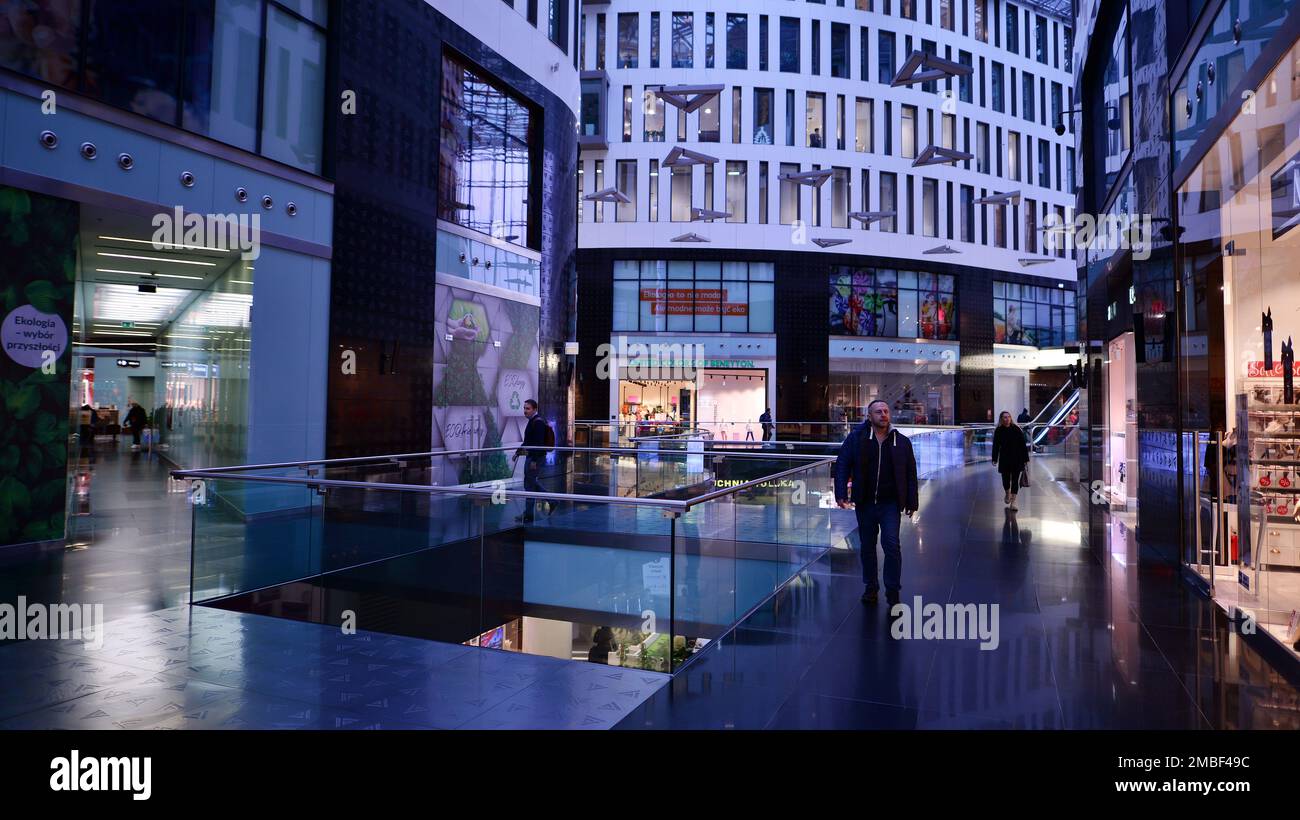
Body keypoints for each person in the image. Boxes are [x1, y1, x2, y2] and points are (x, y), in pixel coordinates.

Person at [834, 399, 920, 606]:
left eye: (886, 411)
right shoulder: (857, 438)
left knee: (891, 545)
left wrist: (912, 501)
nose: (883, 414)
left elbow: (910, 472)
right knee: (867, 547)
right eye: (878, 412)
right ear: (869, 416)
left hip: (890, 504)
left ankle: (893, 591)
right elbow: (843, 463)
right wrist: (840, 493)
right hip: (865, 503)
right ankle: (871, 587)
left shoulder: (901, 441)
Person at [514, 399, 553, 523]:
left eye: (528, 408)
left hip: (534, 458)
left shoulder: (538, 423)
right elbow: (528, 441)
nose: (525, 411)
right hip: (531, 457)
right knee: (530, 483)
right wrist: (518, 452)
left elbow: (538, 444)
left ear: (535, 409)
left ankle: (529, 515)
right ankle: (552, 501)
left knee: (529, 485)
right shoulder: (532, 422)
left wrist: (534, 460)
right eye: (524, 408)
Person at [991, 411, 1030, 511]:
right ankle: (1007, 493)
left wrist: (1026, 459)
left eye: (1008, 417)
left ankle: (1014, 501)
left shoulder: (1016, 429)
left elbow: (1022, 445)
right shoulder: (999, 430)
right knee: (1005, 480)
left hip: (1017, 458)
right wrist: (994, 458)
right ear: (1001, 419)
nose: (1007, 419)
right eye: (1004, 417)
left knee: (1015, 480)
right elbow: (996, 446)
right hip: (1004, 458)